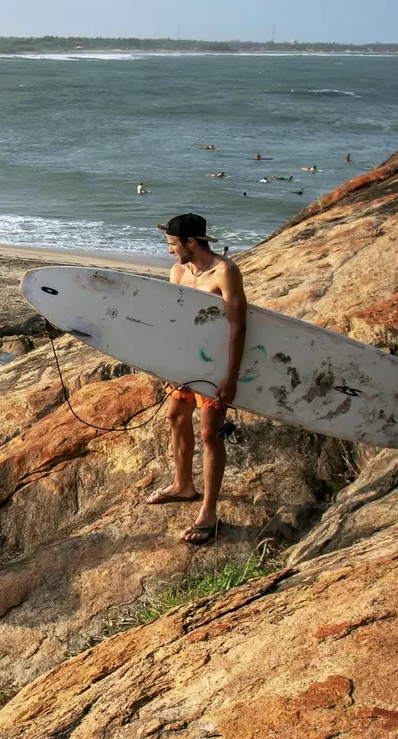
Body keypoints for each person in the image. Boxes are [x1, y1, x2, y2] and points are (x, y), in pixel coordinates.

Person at [147, 214, 247, 547]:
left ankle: (208, 511)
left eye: (173, 245)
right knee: (175, 417)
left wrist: (230, 378)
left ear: (192, 242)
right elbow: (174, 319)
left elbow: (237, 326)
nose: (170, 252)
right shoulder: (178, 271)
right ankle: (183, 485)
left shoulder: (225, 272)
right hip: (186, 361)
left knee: (210, 435)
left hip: (214, 365)